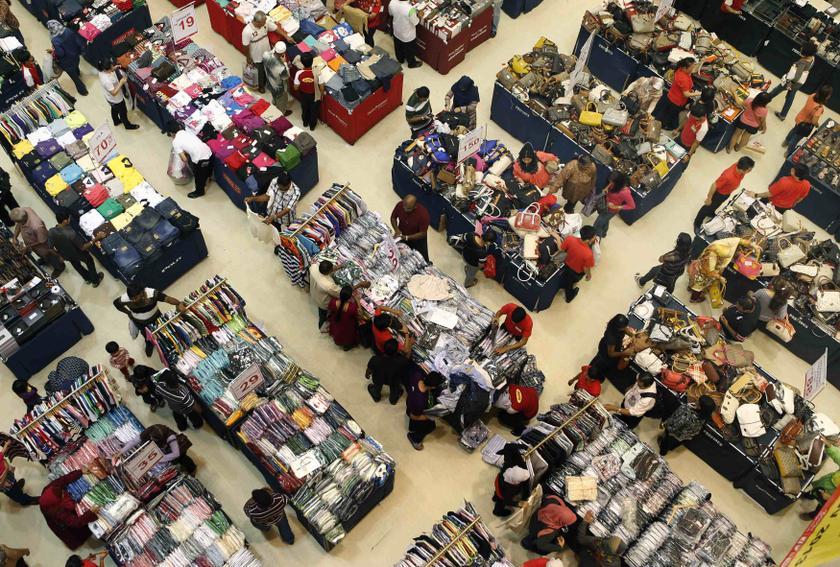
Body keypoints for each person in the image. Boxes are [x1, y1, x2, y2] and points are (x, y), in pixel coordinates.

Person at [113, 285, 186, 356]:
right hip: (140, 322)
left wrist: (178, 303)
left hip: (156, 318)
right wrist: (128, 312)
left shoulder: (152, 293)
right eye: (132, 299)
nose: (134, 300)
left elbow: (167, 298)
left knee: (163, 331)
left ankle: (167, 342)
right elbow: (116, 303)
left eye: (136, 298)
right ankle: (149, 343)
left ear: (141, 292)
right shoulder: (125, 298)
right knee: (146, 334)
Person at [687, 237, 759, 302]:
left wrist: (752, 245)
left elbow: (739, 240)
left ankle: (690, 287)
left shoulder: (722, 244)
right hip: (703, 272)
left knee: (694, 280)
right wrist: (720, 278)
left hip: (703, 266)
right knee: (699, 285)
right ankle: (694, 298)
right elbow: (710, 272)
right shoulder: (711, 257)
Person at [39, 470, 99, 548]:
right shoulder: (58, 512)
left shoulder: (51, 488)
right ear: (58, 501)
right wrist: (90, 513)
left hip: (54, 509)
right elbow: (75, 522)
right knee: (75, 531)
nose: (64, 492)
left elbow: (63, 480)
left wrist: (80, 472)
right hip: (60, 521)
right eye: (62, 494)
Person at [693, 156, 755, 231]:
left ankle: (710, 212)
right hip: (719, 194)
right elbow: (714, 185)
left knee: (716, 205)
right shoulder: (727, 176)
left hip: (726, 193)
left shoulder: (740, 169)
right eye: (749, 170)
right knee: (707, 208)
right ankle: (697, 222)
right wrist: (709, 198)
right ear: (744, 169)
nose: (750, 171)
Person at [48, 207, 103, 286]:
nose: (70, 218)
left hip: (67, 255)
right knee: (90, 261)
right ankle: (95, 280)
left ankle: (87, 278)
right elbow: (83, 247)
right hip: (79, 253)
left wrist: (59, 255)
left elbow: (50, 247)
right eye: (69, 217)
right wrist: (95, 239)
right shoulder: (71, 233)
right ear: (65, 221)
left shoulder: (51, 231)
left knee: (77, 266)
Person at [768, 42, 817, 121]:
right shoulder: (812, 58)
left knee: (776, 90)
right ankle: (783, 115)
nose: (800, 49)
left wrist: (789, 83)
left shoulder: (803, 62)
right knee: (790, 97)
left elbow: (797, 76)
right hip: (799, 83)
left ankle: (762, 101)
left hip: (791, 82)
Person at [10, 207, 64, 276]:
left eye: (17, 222)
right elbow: (19, 224)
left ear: (22, 220)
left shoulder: (37, 226)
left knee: (49, 255)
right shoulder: (23, 211)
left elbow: (42, 240)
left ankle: (59, 267)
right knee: (41, 255)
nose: (17, 223)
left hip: (43, 245)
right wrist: (15, 237)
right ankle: (44, 259)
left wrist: (27, 246)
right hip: (34, 243)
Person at [591, 314, 639, 387]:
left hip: (615, 346)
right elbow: (611, 354)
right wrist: (624, 353)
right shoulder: (611, 337)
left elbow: (625, 329)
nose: (626, 328)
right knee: (604, 363)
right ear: (618, 327)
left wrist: (632, 335)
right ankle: (598, 375)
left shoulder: (616, 326)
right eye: (624, 327)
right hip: (606, 352)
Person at [799, 437, 840, 520]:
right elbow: (838, 456)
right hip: (827, 482)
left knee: (821, 507)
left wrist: (830, 498)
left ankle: (812, 516)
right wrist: (829, 446)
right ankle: (808, 496)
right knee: (815, 491)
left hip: (833, 496)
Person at [783, 84, 832, 152]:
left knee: (794, 130)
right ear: (826, 96)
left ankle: (785, 142)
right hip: (804, 125)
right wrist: (817, 125)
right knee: (795, 139)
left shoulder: (813, 95)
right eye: (829, 95)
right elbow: (814, 121)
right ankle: (788, 152)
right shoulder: (819, 108)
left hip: (799, 118)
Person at [405, 369, 445, 450]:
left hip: (410, 402)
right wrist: (430, 416)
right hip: (414, 412)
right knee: (430, 427)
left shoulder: (417, 375)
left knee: (418, 417)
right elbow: (414, 416)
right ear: (433, 387)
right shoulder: (420, 401)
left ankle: (412, 428)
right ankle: (415, 439)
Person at [656, 57, 700, 131]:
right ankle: (663, 126)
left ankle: (658, 122)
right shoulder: (683, 79)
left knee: (664, 112)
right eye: (691, 67)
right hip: (677, 101)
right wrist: (698, 93)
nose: (693, 69)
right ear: (685, 68)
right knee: (669, 115)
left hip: (671, 96)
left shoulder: (679, 70)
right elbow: (686, 94)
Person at [47, 20, 87, 95]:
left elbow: (60, 53)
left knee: (75, 79)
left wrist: (53, 52)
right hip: (75, 55)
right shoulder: (68, 30)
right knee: (76, 65)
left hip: (67, 61)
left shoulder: (55, 40)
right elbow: (77, 41)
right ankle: (78, 73)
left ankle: (83, 91)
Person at [558, 225, 597, 303]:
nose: (595, 238)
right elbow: (586, 268)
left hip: (567, 265)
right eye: (594, 237)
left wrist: (557, 237)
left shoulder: (570, 239)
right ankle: (569, 297)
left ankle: (563, 286)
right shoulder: (588, 254)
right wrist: (589, 275)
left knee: (567, 279)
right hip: (576, 273)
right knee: (570, 284)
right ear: (587, 240)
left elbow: (560, 248)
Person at [366, 338, 411, 404]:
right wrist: (410, 344)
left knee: (377, 385)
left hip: (378, 378)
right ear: (396, 351)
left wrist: (367, 374)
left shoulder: (375, 359)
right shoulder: (400, 361)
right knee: (395, 388)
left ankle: (376, 396)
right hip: (393, 380)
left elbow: (369, 369)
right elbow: (407, 356)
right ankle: (393, 399)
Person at [172, 127, 213, 199]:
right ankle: (207, 179)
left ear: (172, 133)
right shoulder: (186, 131)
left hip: (201, 159)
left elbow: (184, 158)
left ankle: (199, 192)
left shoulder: (175, 142)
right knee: (207, 169)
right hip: (208, 151)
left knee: (199, 176)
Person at [97, 58, 138, 130]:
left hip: (109, 98)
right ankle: (127, 125)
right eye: (111, 66)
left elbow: (110, 70)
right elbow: (113, 93)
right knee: (123, 112)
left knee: (114, 109)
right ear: (107, 69)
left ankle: (116, 121)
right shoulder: (106, 80)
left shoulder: (101, 71)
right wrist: (121, 83)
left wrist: (114, 68)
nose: (113, 67)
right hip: (116, 99)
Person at [242, 11, 277, 93]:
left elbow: (275, 28)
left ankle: (267, 82)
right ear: (257, 22)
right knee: (259, 72)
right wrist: (248, 58)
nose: (265, 23)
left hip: (267, 52)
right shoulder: (247, 31)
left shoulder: (265, 23)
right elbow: (245, 46)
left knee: (267, 69)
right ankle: (260, 86)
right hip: (256, 56)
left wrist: (286, 36)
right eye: (263, 22)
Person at [592, 172, 635, 238]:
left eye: (612, 182)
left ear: (618, 182)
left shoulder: (625, 192)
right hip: (605, 205)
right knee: (604, 220)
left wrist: (616, 207)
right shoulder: (615, 183)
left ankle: (595, 241)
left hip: (611, 211)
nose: (610, 183)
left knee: (597, 225)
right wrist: (606, 188)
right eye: (609, 181)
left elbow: (632, 206)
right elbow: (610, 185)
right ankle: (604, 233)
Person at [492, 443, 530, 516]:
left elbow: (510, 445)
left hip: (499, 479)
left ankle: (495, 497)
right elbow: (507, 501)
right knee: (501, 500)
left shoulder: (509, 465)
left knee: (497, 492)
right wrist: (519, 503)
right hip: (502, 491)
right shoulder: (511, 488)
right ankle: (497, 511)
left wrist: (525, 447)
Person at [391, 194, 430, 262]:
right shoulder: (400, 205)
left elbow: (422, 233)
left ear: (415, 206)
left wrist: (407, 237)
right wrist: (396, 229)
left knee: (421, 260)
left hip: (417, 240)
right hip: (402, 234)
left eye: (408, 208)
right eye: (404, 207)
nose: (405, 209)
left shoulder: (423, 214)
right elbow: (393, 217)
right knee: (401, 255)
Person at [1, 441, 39, 506]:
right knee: (13, 492)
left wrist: (6, 445)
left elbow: (1, 454)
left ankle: (17, 488)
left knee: (14, 485)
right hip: (4, 482)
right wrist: (7, 469)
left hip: (8, 475)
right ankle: (25, 501)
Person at [388, 0, 422, 68]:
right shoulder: (410, 9)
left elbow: (390, 13)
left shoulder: (392, 2)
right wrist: (420, 16)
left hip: (397, 30)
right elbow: (415, 22)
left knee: (398, 47)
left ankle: (400, 59)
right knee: (410, 50)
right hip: (408, 34)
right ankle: (411, 63)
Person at [263, 42, 292, 115]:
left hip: (269, 81)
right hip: (279, 87)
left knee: (274, 95)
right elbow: (286, 77)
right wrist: (285, 63)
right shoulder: (281, 68)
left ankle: (275, 102)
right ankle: (282, 112)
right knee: (281, 99)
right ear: (283, 52)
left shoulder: (266, 55)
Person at [293, 52, 319, 130]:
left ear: (302, 62)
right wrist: (320, 95)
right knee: (314, 111)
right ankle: (312, 126)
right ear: (312, 62)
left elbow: (296, 88)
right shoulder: (316, 72)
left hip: (303, 95)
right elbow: (321, 85)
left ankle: (305, 122)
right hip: (314, 95)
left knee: (305, 108)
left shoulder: (298, 73)